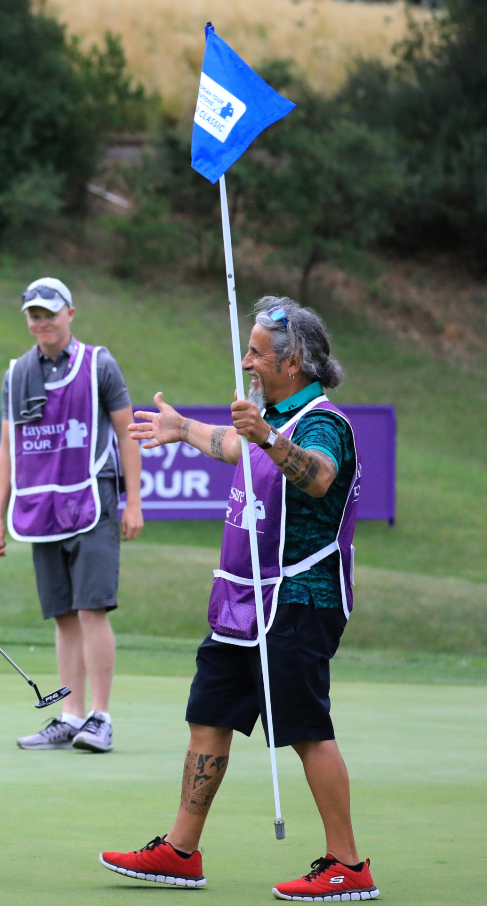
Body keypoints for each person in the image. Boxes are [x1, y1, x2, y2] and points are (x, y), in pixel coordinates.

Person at [101, 297, 378, 901]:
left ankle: (348, 864)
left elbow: (318, 476)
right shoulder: (271, 419)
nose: (247, 362)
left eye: (256, 353)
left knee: (306, 729)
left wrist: (267, 435)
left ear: (293, 361)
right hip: (241, 600)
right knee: (209, 716)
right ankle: (180, 852)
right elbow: (233, 444)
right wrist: (181, 429)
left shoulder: (324, 422)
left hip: (299, 599)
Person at [0, 277, 144, 754]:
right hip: (41, 508)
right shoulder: (16, 374)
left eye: (49, 313)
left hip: (93, 500)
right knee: (63, 615)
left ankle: (101, 717)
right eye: (34, 315)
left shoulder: (99, 364)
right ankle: (72, 716)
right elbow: (8, 447)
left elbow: (127, 432)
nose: (42, 322)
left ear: (70, 313)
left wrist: (134, 501)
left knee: (91, 608)